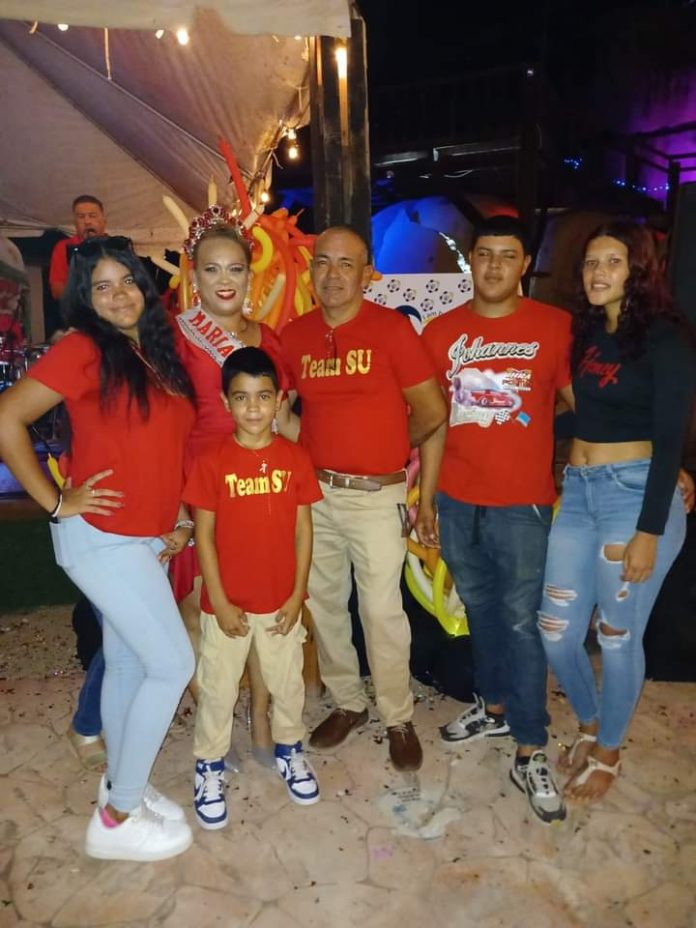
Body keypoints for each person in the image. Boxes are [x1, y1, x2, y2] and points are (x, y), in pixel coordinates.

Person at [0, 236, 197, 861]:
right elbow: (6, 417)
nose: (119, 295)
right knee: (173, 664)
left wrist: (177, 515)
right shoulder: (84, 349)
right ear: (84, 299)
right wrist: (56, 501)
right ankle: (117, 817)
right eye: (101, 287)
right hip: (100, 539)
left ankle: (120, 785)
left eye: (127, 281)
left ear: (145, 285)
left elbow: (164, 449)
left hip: (141, 538)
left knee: (131, 664)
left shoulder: (152, 353)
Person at [416, 215, 574, 823]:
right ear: (471, 260)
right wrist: (427, 499)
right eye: (484, 254)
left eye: (508, 255)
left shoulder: (554, 327)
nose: (494, 266)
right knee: (479, 610)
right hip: (457, 500)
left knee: (520, 622)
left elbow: (587, 407)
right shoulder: (441, 332)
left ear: (525, 264)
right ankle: (495, 707)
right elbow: (432, 424)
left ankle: (531, 746)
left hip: (522, 505)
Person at [537, 221, 695, 803]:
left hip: (634, 498)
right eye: (590, 263)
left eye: (612, 262)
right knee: (556, 631)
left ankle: (609, 751)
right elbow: (591, 416)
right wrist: (516, 421)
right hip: (580, 492)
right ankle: (590, 721)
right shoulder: (588, 335)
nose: (597, 273)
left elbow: (670, 437)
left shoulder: (665, 338)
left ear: (639, 270)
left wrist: (649, 531)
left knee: (617, 635)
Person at [280, 226, 446, 772]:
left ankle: (398, 716)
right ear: (311, 270)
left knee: (380, 610)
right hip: (316, 495)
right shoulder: (296, 336)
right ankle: (349, 702)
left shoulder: (391, 330)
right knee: (325, 603)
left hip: (377, 496)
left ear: (367, 273)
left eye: (345, 264)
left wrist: (392, 450)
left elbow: (432, 410)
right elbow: (276, 407)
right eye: (322, 262)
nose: (332, 275)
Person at [172, 209, 296, 770]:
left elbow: (284, 420)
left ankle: (261, 713)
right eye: (211, 269)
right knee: (198, 607)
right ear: (194, 276)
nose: (225, 281)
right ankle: (213, 711)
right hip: (199, 481)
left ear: (251, 274)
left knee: (261, 604)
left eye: (236, 269)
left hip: (260, 484)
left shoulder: (269, 340)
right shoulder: (176, 337)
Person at [183, 347, 322, 828]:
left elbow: (304, 530)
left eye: (264, 396)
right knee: (218, 690)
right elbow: (203, 535)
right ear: (226, 402)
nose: (254, 408)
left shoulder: (295, 459)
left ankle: (290, 749)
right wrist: (219, 601)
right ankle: (209, 764)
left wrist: (297, 595)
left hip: (280, 602)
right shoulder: (211, 461)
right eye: (241, 397)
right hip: (227, 605)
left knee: (288, 685)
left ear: (279, 399)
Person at [49, 195, 107, 301]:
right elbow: (57, 290)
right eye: (81, 217)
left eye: (92, 216)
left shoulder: (118, 245)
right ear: (75, 223)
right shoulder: (63, 247)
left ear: (104, 219)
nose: (87, 221)